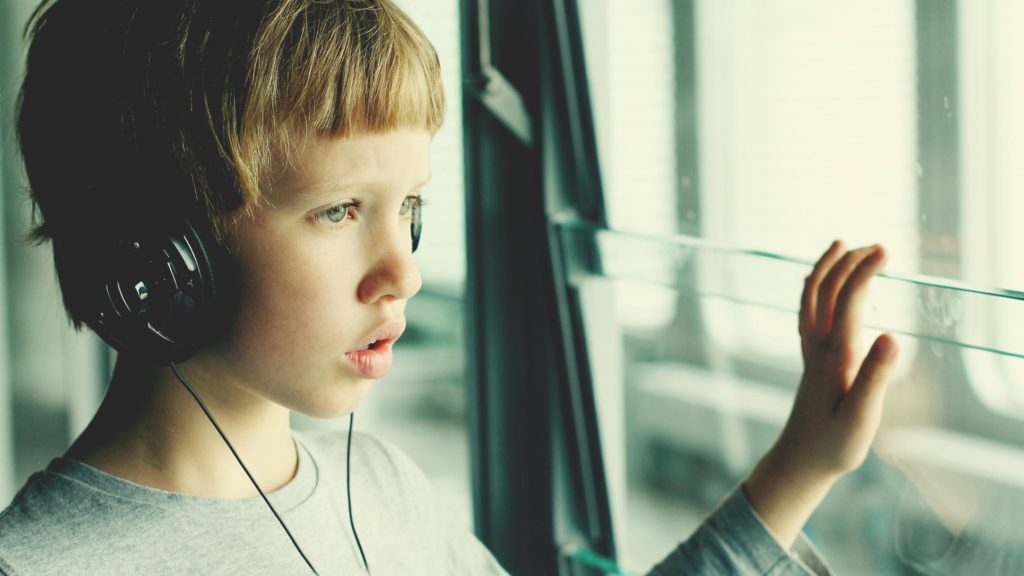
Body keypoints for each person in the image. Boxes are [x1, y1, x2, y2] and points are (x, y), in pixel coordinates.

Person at [0, 0, 899, 574]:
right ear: (163, 251)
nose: (406, 271)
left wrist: (802, 464)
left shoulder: (384, 490)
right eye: (342, 210)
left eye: (411, 207)